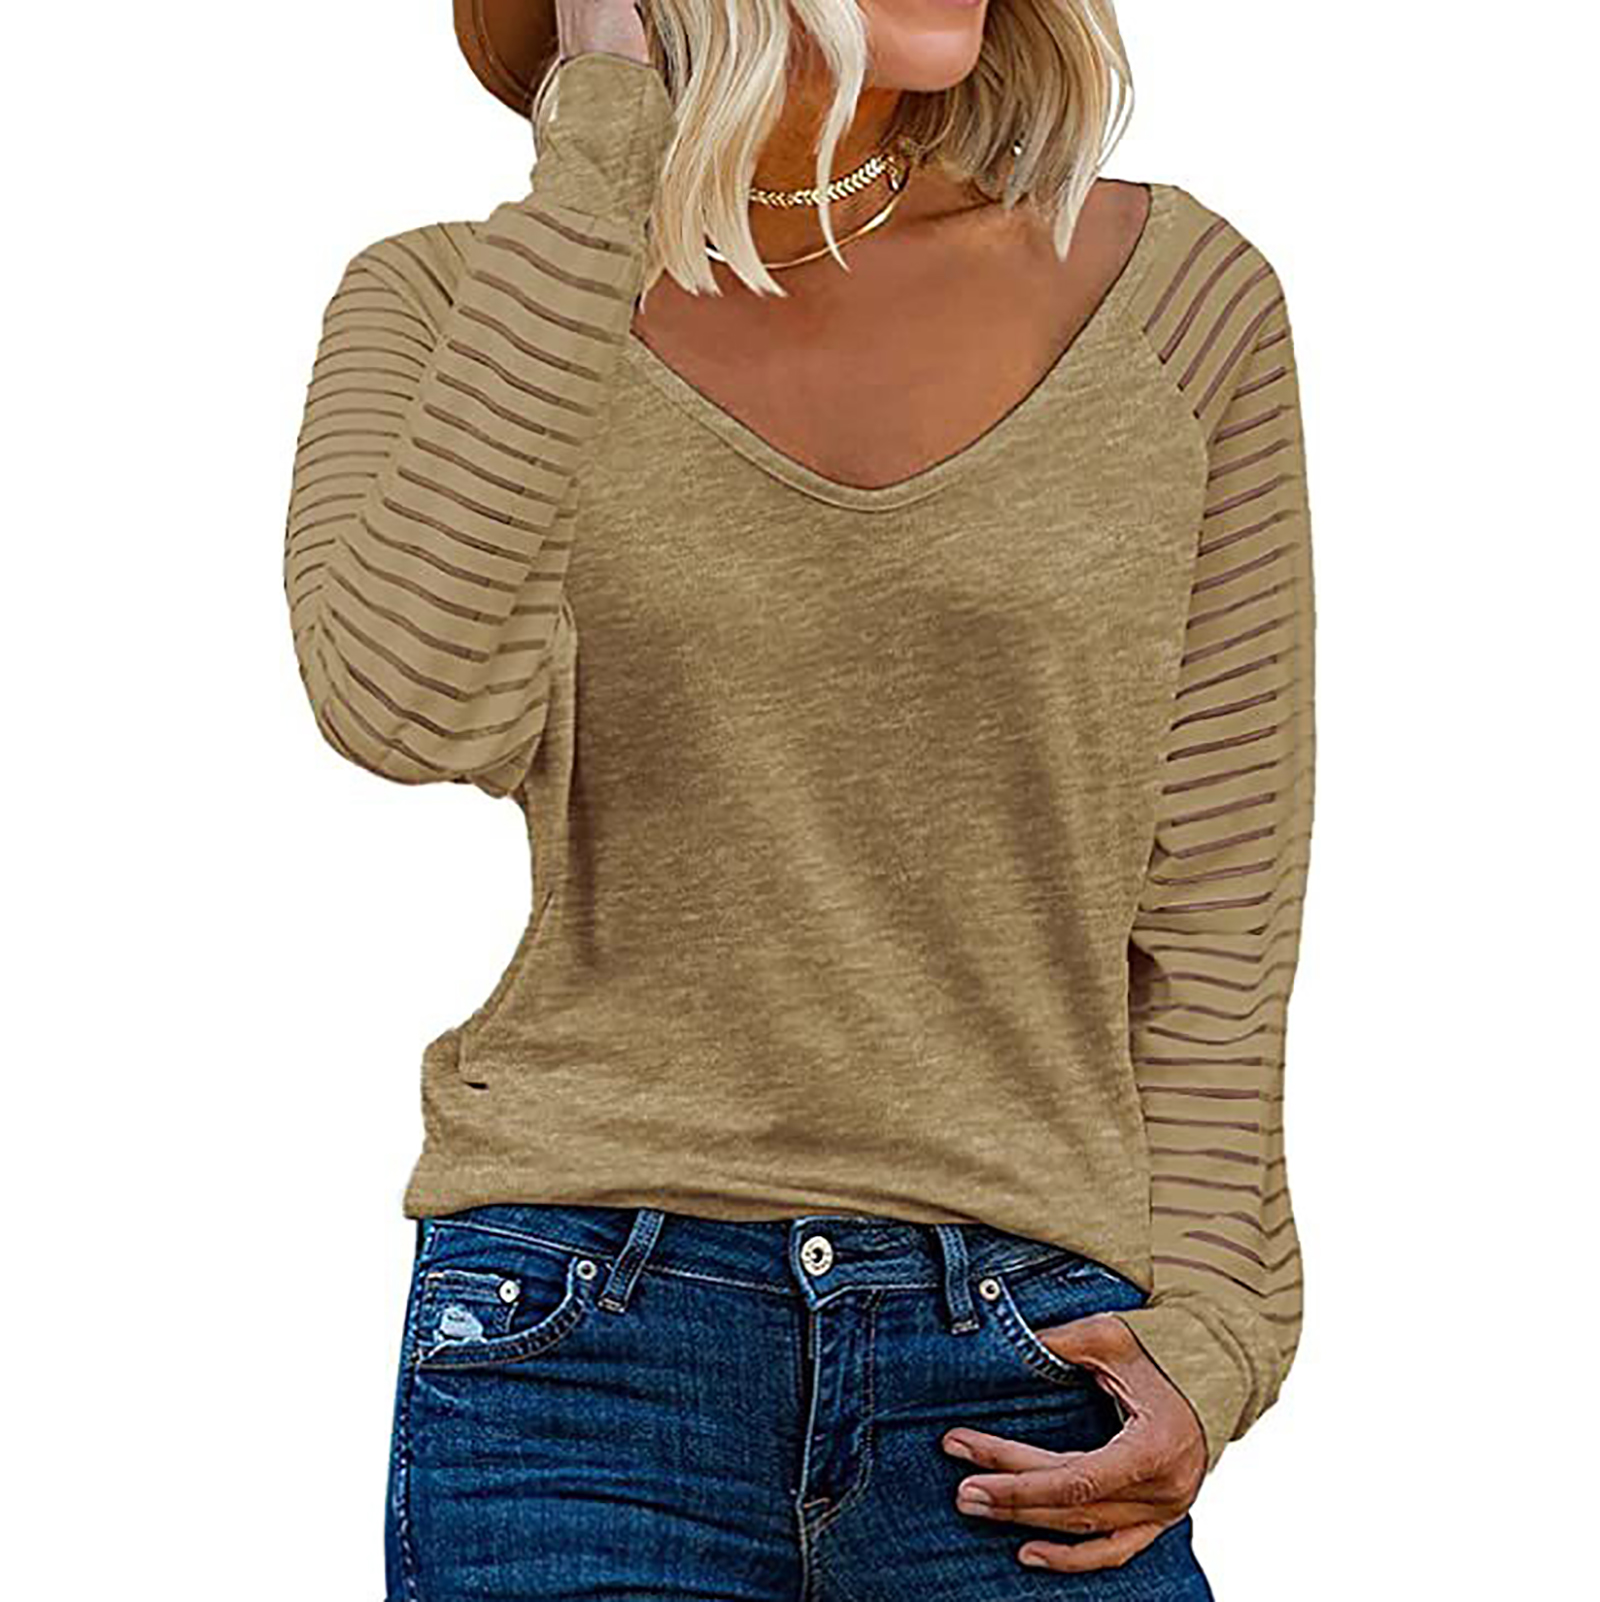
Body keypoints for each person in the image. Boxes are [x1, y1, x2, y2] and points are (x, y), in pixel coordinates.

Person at [281, 0, 1317, 1594]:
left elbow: (1218, 901)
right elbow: (406, 704)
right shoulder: (450, 301)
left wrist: (1221, 1331)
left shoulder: (1179, 302)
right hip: (584, 1343)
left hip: (1029, 1356)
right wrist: (601, 150)